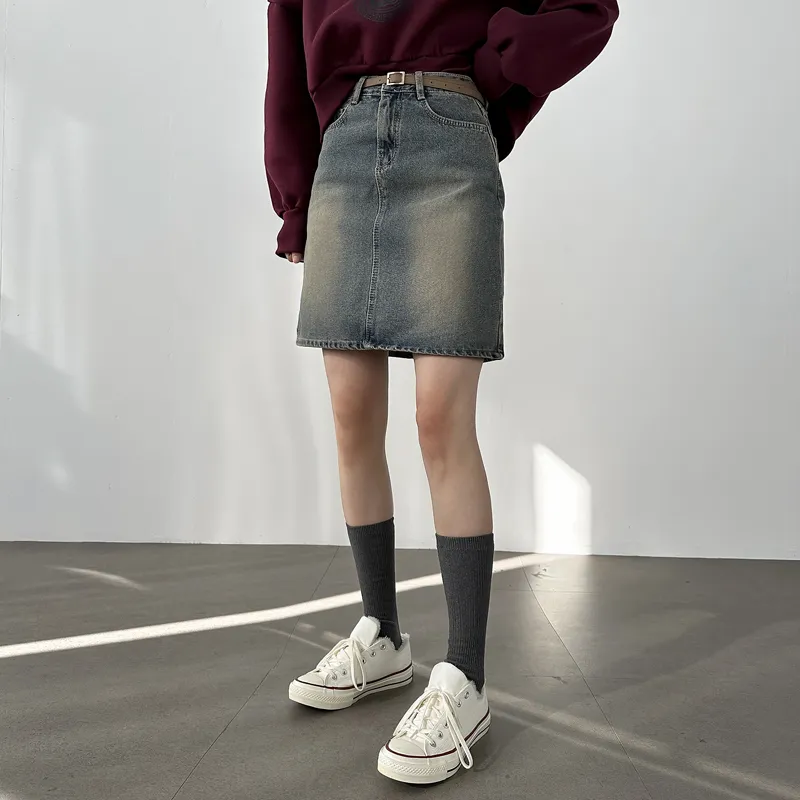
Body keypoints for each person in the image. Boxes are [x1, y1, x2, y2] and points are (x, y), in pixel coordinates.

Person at [264, 0, 618, 785]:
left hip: (450, 134)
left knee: (438, 420)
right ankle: (382, 636)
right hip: (344, 145)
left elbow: (587, 10)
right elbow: (287, 42)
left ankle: (465, 676)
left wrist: (491, 70)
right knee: (350, 416)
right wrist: (294, 200)